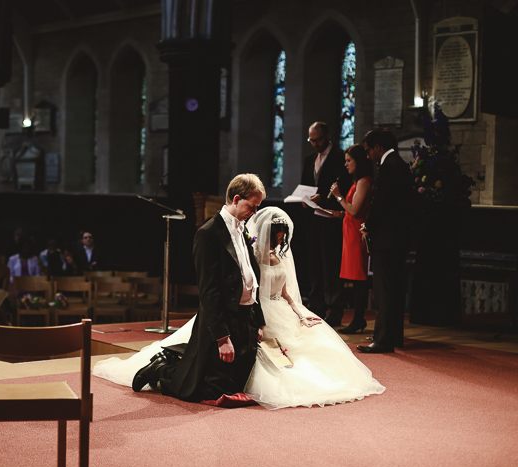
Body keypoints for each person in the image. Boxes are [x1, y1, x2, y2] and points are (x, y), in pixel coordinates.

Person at [95, 206, 385, 409]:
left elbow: (284, 293)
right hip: (241, 313)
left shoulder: (270, 252)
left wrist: (300, 314)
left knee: (244, 368)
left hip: (265, 314)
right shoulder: (237, 244)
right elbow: (222, 287)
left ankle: (189, 371)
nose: (280, 242)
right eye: (277, 236)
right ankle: (164, 368)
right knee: (209, 379)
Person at [130, 173, 267, 405]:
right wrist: (222, 338)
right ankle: (160, 369)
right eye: (251, 206)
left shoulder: (242, 229)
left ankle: (178, 363)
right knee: (204, 390)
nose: (254, 212)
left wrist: (258, 319)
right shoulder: (209, 233)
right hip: (223, 318)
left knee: (236, 384)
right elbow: (208, 290)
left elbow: (251, 277)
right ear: (235, 199)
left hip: (246, 317)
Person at [357, 128, 414, 353]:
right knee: (395, 289)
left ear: (378, 147)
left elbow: (380, 203)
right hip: (398, 238)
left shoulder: (387, 166)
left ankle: (382, 340)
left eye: (369, 150)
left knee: (385, 290)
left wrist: (368, 225)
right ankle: (393, 336)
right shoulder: (400, 164)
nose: (368, 155)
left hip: (386, 238)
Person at [300, 122, 350, 326]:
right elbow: (305, 184)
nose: (315, 144)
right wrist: (304, 199)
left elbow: (344, 186)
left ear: (327, 135)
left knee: (331, 264)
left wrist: (324, 199)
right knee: (314, 263)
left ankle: (335, 309)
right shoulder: (310, 159)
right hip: (313, 218)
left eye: (318, 140)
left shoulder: (340, 157)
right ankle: (316, 306)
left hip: (331, 218)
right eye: (311, 140)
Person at [330, 144, 374, 334]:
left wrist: (339, 197)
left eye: (349, 161)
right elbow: (351, 209)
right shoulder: (357, 182)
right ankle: (357, 319)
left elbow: (356, 211)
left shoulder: (364, 181)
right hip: (349, 232)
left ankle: (358, 319)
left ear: (359, 161)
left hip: (357, 234)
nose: (346, 164)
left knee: (359, 279)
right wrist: (338, 214)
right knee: (355, 279)